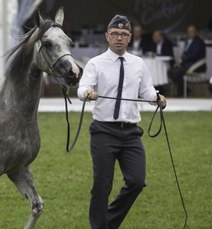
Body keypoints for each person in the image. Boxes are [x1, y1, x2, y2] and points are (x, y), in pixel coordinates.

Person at [77, 15, 166, 229]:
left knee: (136, 181)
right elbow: (81, 88)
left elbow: (146, 90)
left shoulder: (138, 64)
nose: (119, 38)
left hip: (131, 134)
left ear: (130, 38)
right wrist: (87, 93)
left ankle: (108, 222)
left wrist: (157, 98)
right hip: (103, 131)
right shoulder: (95, 63)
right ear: (107, 36)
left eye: (124, 34)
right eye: (115, 34)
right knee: (102, 186)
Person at [167, 24, 206, 97]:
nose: (190, 33)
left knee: (177, 72)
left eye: (192, 31)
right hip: (186, 64)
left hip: (195, 64)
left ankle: (181, 93)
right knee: (170, 71)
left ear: (196, 32)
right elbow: (185, 54)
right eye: (189, 32)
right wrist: (179, 62)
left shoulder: (199, 42)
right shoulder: (188, 41)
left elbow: (194, 55)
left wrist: (181, 62)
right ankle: (185, 90)